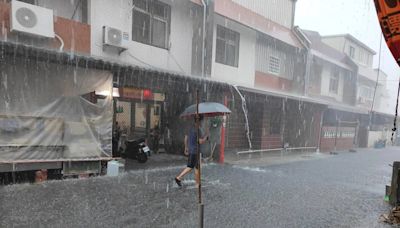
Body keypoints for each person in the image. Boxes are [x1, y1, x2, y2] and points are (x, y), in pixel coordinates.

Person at [175, 115, 208, 187]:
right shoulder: (198, 129)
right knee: (194, 167)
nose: (202, 122)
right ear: (200, 121)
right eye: (202, 121)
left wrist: (186, 147)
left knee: (194, 167)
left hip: (191, 149)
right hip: (196, 151)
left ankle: (197, 183)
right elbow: (200, 141)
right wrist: (206, 137)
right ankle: (180, 178)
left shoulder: (190, 127)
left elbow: (186, 138)